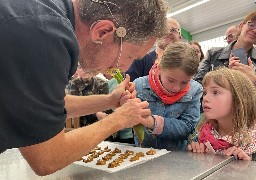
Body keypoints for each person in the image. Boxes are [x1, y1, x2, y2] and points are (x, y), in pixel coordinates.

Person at [0, 0, 169, 175]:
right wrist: (119, 119)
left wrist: (109, 100)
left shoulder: (47, 16)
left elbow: (44, 104)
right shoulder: (45, 35)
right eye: (131, 56)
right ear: (102, 31)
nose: (125, 67)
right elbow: (47, 158)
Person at [128, 42, 203, 150]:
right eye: (171, 80)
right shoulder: (139, 85)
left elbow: (188, 126)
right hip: (143, 153)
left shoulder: (195, 90)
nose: (176, 88)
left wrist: (153, 123)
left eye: (184, 82)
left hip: (176, 157)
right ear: (160, 68)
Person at [188, 68, 256, 161]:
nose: (205, 98)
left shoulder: (251, 139)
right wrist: (197, 154)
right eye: (205, 93)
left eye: (215, 92)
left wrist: (248, 167)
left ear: (239, 99)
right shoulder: (203, 132)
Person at [194, 11, 256, 84]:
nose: (255, 30)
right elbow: (197, 85)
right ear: (241, 26)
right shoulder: (213, 54)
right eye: (252, 25)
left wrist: (253, 79)